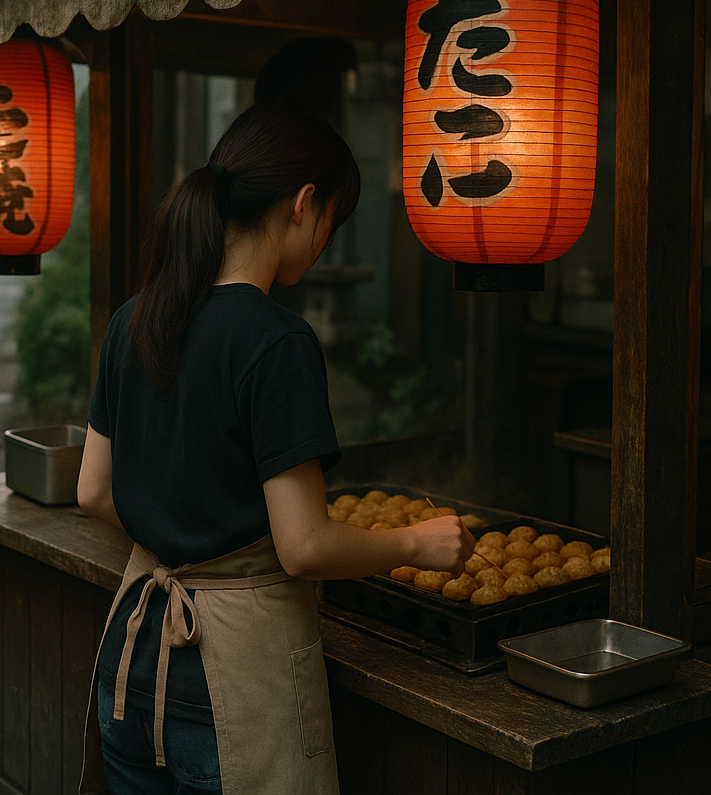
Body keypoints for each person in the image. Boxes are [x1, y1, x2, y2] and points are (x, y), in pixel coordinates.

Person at [77, 104, 475, 795]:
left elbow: (93, 491)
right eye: (332, 222)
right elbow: (304, 547)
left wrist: (180, 544)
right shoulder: (276, 341)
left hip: (129, 662)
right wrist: (417, 543)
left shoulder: (131, 319)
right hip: (230, 677)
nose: (326, 241)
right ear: (303, 205)